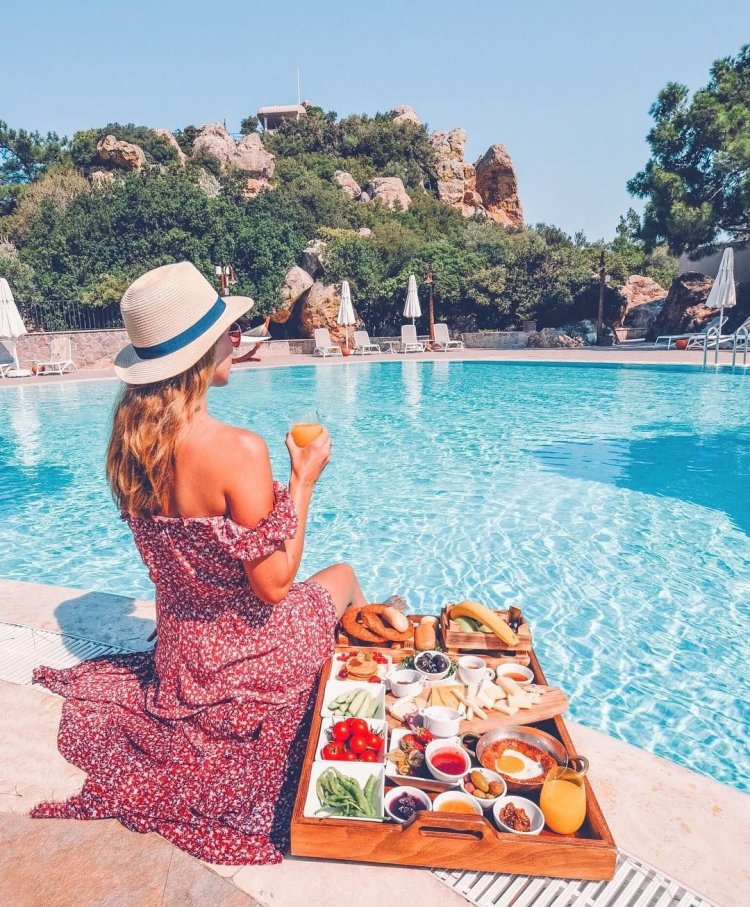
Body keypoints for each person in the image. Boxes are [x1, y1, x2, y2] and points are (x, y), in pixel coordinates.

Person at [31, 262, 367, 865]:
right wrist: (303, 481)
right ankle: (367, 671)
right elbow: (273, 586)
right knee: (342, 577)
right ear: (199, 355)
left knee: (328, 585)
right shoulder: (238, 450)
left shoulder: (130, 447)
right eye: (228, 333)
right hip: (247, 667)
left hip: (181, 665)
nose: (237, 341)